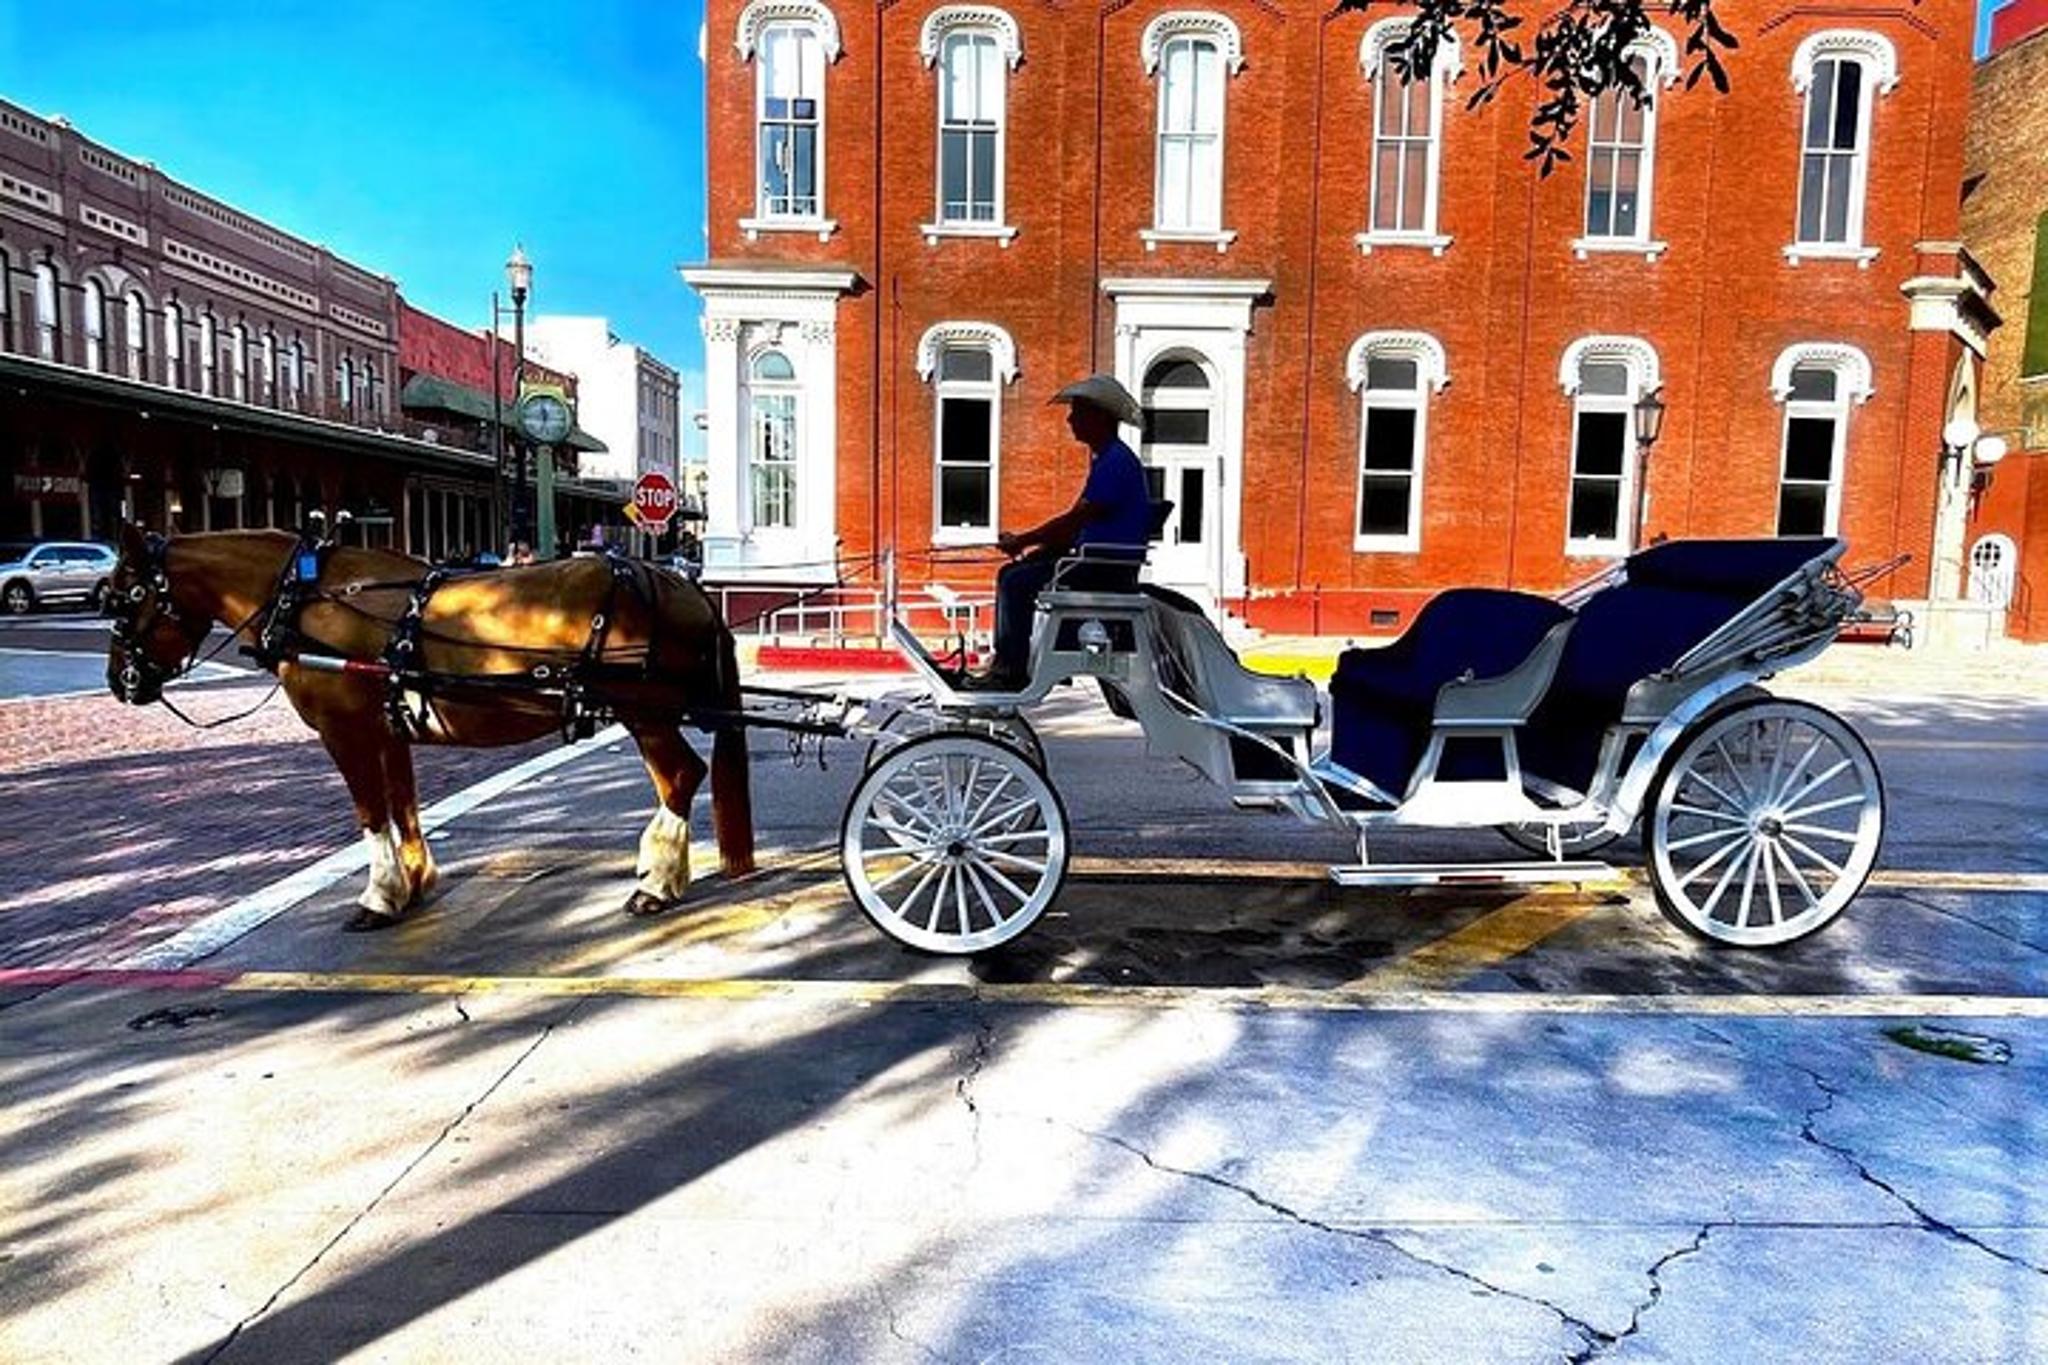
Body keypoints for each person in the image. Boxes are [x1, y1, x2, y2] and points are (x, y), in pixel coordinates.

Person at [965, 374, 1154, 690]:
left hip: (1103, 567)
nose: (1070, 420)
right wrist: (1039, 550)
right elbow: (1076, 528)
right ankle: (1007, 663)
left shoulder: (1116, 462)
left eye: (1077, 412)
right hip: (1094, 559)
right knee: (1013, 573)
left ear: (1099, 417)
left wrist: (1023, 541)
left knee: (1015, 581)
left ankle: (1010, 671)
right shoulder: (1109, 459)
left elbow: (1074, 522)